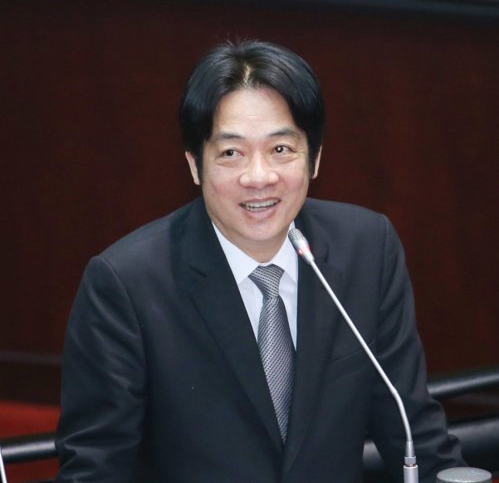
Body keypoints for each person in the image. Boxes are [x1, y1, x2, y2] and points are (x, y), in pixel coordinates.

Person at [55, 40, 464, 483]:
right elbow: (96, 469)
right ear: (194, 165)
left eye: (281, 149)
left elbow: (412, 428)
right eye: (231, 153)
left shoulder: (367, 248)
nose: (259, 177)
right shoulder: (127, 284)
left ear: (315, 158)